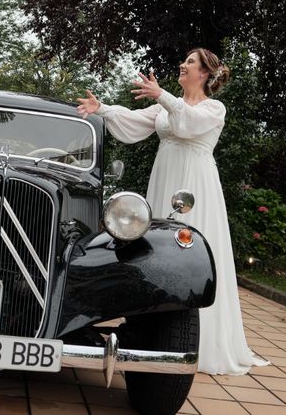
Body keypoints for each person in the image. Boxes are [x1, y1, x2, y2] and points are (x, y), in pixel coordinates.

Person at [76, 48, 269, 375]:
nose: (183, 65)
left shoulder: (213, 108)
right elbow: (133, 123)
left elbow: (188, 125)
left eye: (190, 62)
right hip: (164, 179)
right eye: (184, 61)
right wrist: (103, 109)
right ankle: (153, 332)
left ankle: (198, 339)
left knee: (189, 247)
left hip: (195, 186)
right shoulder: (165, 106)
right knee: (156, 251)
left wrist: (163, 95)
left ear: (205, 73)